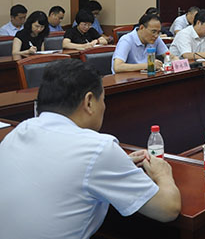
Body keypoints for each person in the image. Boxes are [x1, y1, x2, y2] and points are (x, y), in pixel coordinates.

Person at [0, 60, 181, 238]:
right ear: (89, 102)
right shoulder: (98, 148)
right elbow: (168, 209)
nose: (104, 106)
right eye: (103, 99)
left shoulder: (18, 132)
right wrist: (163, 174)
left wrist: (119, 164)